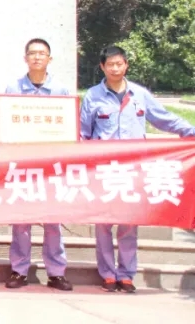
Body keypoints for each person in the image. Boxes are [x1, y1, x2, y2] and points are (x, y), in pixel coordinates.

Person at [80, 45, 195, 294]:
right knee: (103, 224)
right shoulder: (92, 96)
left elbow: (164, 119)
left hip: (133, 171)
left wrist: (191, 131)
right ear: (102, 67)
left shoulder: (139, 95)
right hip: (104, 171)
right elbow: (83, 134)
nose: (115, 68)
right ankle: (107, 275)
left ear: (126, 65)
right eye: (110, 64)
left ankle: (126, 275)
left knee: (130, 224)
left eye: (119, 64)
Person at [4, 38, 73, 292]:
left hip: (51, 167)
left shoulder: (61, 90)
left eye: (42, 53)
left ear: (49, 59)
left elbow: (68, 127)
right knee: (21, 222)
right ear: (25, 58)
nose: (37, 57)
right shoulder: (13, 88)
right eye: (32, 53)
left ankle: (56, 272)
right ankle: (19, 270)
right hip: (23, 165)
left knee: (52, 221)